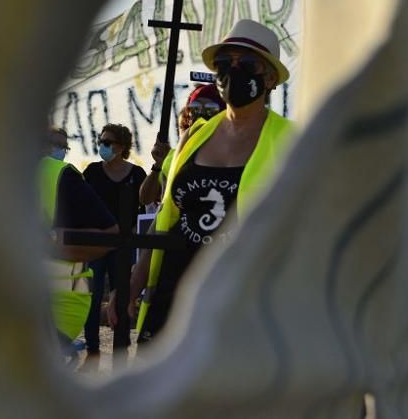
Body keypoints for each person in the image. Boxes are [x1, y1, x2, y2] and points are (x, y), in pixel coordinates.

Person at [110, 19, 295, 340]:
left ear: (269, 77)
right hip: (172, 303)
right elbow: (166, 217)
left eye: (247, 63)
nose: (233, 71)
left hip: (241, 314)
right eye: (225, 63)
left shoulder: (292, 142)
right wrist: (133, 282)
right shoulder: (194, 136)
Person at [37, 127, 118, 359]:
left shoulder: (62, 176)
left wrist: (51, 247)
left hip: (58, 307)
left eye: (63, 145)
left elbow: (110, 234)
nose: (59, 150)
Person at [79, 124, 146, 361]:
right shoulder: (93, 172)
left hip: (123, 245)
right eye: (101, 141)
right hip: (96, 244)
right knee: (93, 295)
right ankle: (93, 348)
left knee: (123, 294)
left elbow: (143, 210)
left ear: (121, 146)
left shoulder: (137, 175)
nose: (103, 146)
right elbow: (82, 205)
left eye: (108, 142)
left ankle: (121, 345)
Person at [138, 84, 226, 210]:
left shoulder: (234, 152)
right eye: (195, 108)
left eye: (210, 109)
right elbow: (145, 198)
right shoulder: (174, 156)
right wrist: (158, 165)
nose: (201, 114)